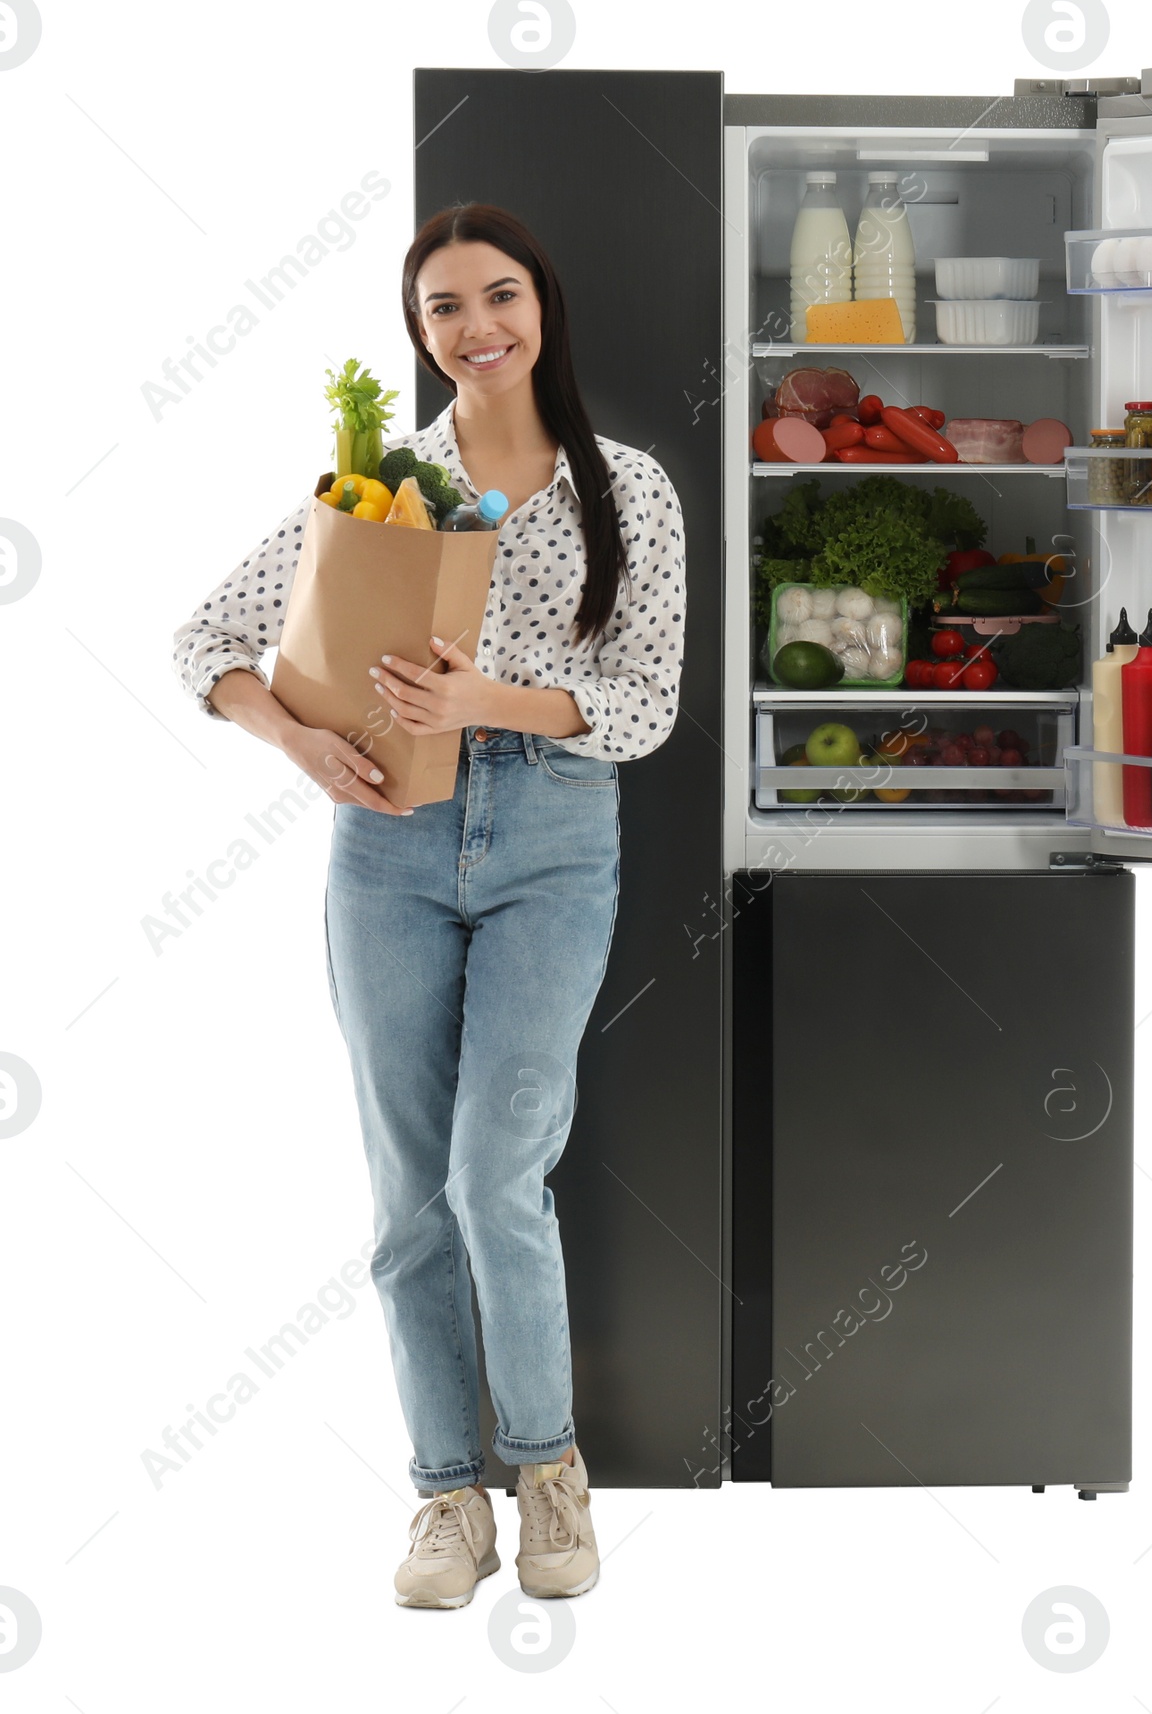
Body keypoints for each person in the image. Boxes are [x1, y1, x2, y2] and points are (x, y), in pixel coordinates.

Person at [171, 202, 686, 1607]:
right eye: (444, 308)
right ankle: (445, 1500)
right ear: (420, 332)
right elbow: (207, 641)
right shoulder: (378, 488)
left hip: (554, 833)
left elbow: (646, 706)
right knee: (407, 1195)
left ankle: (550, 1471)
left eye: (499, 296)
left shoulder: (626, 488)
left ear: (544, 307)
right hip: (388, 843)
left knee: (491, 1175)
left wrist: (488, 701)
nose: (477, 329)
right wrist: (298, 739)